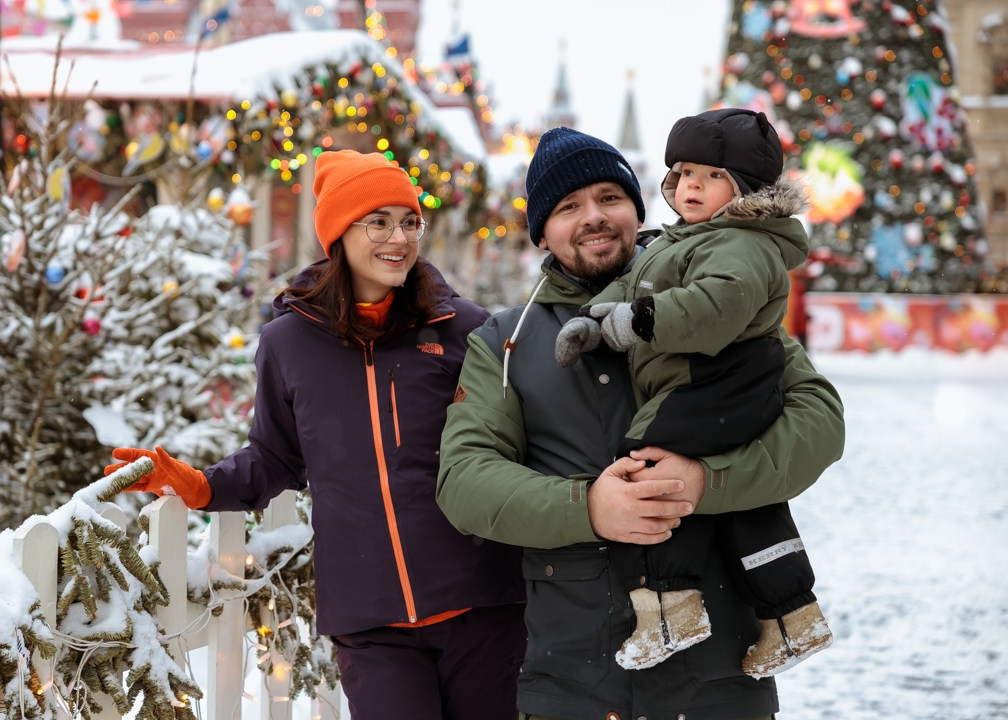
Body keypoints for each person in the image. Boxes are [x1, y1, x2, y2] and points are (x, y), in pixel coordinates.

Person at [436, 126, 845, 720]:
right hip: (572, 683)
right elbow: (465, 480)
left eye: (610, 197)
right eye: (568, 207)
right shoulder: (505, 342)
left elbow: (819, 420)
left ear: (638, 208)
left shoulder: (717, 301)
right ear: (542, 232)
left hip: (718, 682)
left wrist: (708, 480)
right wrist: (588, 507)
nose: (594, 217)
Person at [105, 150, 526, 720]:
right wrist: (200, 485)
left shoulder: (464, 328)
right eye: (378, 222)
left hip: (482, 603)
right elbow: (275, 455)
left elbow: (509, 443)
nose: (399, 238)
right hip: (370, 618)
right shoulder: (289, 343)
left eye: (410, 222)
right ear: (338, 234)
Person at [553, 108, 832, 678]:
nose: (690, 186)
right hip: (712, 381)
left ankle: (670, 607)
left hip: (721, 379)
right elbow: (634, 285)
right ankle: (790, 615)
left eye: (710, 175)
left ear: (745, 188)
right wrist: (594, 320)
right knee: (747, 507)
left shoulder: (742, 243)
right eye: (682, 173)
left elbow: (715, 306)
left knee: (646, 467)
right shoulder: (685, 239)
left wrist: (637, 322)